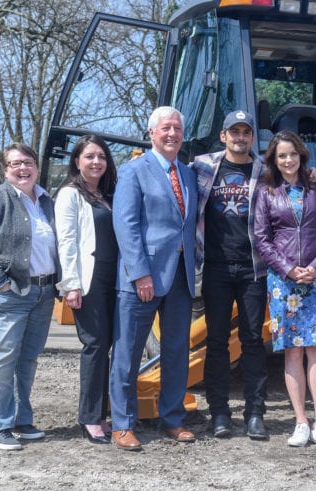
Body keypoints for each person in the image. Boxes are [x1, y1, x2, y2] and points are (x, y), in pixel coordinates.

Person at [109, 106, 198, 451]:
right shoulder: (134, 171)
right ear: (151, 133)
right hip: (141, 280)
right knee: (128, 353)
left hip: (180, 277)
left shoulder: (188, 174)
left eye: (177, 127)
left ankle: (172, 419)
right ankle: (123, 424)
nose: (172, 133)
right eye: (166, 128)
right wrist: (140, 273)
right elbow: (126, 226)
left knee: (176, 351)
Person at [253, 130, 316, 450]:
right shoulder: (267, 192)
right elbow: (262, 238)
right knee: (292, 351)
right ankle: (301, 423)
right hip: (283, 282)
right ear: (274, 161)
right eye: (281, 156)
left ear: (301, 155)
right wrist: (288, 269)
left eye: (292, 154)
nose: (288, 160)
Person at [0, 142, 60, 451]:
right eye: (15, 164)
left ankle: (21, 419)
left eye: (28, 162)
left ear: (36, 166)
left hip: (43, 293)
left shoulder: (47, 201)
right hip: (8, 295)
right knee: (3, 358)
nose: (23, 168)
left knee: (27, 359)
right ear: (5, 170)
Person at [191, 110, 269, 440]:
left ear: (253, 138)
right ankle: (219, 413)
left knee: (253, 341)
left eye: (245, 132)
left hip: (253, 268)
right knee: (218, 342)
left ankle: (255, 414)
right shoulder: (203, 167)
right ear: (223, 136)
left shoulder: (265, 171)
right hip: (216, 268)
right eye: (233, 131)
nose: (240, 137)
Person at [55, 134, 118, 444]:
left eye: (102, 157)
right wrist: (71, 285)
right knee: (94, 346)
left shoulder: (109, 194)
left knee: (109, 346)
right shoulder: (70, 195)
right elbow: (65, 241)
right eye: (90, 156)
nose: (96, 162)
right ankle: (90, 418)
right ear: (77, 161)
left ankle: (105, 413)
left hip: (115, 280)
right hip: (89, 281)